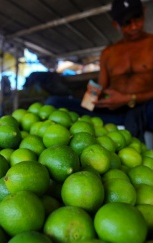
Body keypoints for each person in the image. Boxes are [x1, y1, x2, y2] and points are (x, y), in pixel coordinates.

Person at [45, 0, 153, 142]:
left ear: (144, 12)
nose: (134, 27)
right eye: (126, 23)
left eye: (137, 18)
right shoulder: (108, 53)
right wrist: (91, 98)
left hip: (146, 110)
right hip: (112, 112)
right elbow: (100, 86)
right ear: (116, 25)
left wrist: (129, 98)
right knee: (54, 102)